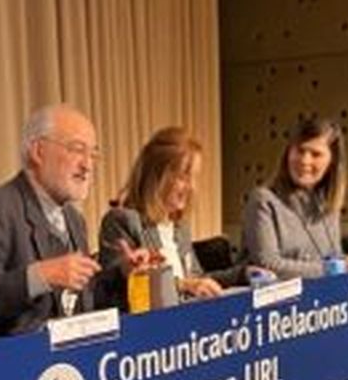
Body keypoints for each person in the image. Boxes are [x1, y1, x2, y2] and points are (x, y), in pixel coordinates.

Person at [0, 103, 140, 336]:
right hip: (17, 364)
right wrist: (38, 277)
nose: (87, 165)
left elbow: (80, 305)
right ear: (38, 151)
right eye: (77, 149)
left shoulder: (74, 219)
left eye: (93, 154)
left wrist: (124, 274)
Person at [99, 126, 243, 300]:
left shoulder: (180, 227)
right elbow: (115, 291)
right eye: (183, 177)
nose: (192, 187)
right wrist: (183, 286)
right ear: (157, 176)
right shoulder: (122, 221)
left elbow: (197, 280)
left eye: (194, 178)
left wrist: (242, 274)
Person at [242, 116, 348, 279]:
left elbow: (328, 258)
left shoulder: (327, 201)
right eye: (299, 150)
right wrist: (339, 267)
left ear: (332, 162)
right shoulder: (263, 200)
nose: (305, 161)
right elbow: (267, 264)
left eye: (316, 154)